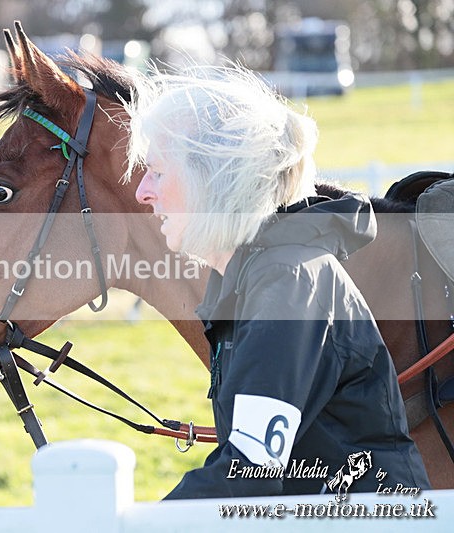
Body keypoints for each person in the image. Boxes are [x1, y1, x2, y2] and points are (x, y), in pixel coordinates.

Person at [126, 63, 430, 498]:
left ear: (210, 179)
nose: (142, 193)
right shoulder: (250, 277)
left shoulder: (287, 282)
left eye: (155, 171)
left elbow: (249, 475)